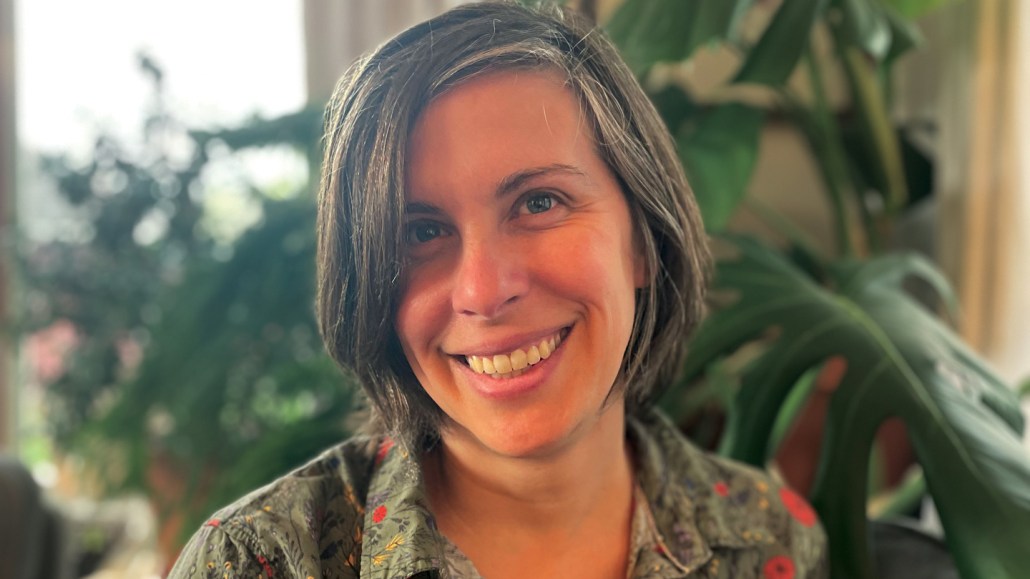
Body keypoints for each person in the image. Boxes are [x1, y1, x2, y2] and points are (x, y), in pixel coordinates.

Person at [169, 2, 828, 577]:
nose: (483, 291)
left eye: (539, 201)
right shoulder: (255, 562)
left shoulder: (771, 542)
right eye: (421, 231)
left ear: (643, 241)